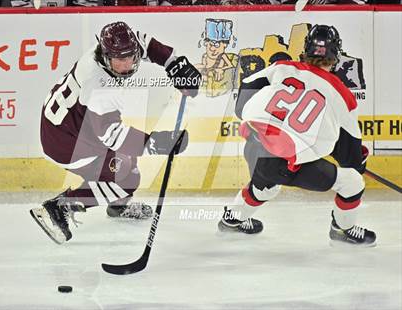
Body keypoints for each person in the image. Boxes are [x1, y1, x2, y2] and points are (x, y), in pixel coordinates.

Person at [30, 21, 201, 244]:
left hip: (73, 123)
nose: (128, 64)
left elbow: (145, 42)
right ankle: (58, 209)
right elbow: (112, 135)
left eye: (131, 56)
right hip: (65, 140)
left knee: (126, 164)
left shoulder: (112, 49)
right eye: (121, 59)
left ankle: (118, 205)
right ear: (106, 56)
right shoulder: (99, 85)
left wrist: (174, 64)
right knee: (126, 178)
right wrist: (159, 142)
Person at [218, 24, 376, 246]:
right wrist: (358, 161)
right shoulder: (342, 93)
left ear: (306, 49)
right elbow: (350, 159)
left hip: (256, 148)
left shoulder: (282, 67)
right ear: (336, 55)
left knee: (266, 185)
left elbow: (245, 90)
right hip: (292, 164)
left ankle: (232, 219)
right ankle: (342, 230)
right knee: (352, 182)